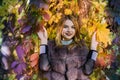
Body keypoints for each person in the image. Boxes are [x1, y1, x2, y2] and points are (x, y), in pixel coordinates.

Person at [37, 15, 98, 80]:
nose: (69, 30)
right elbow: (43, 67)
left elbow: (88, 71)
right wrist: (43, 42)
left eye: (73, 27)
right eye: (65, 27)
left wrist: (93, 48)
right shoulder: (51, 45)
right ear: (60, 28)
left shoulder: (81, 46)